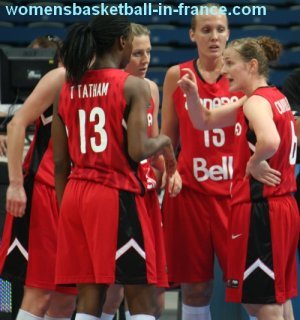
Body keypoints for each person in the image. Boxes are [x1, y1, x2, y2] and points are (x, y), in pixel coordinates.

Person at [52, 15, 176, 320]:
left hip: (75, 196)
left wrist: (65, 208)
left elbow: (58, 161)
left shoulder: (67, 88)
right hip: (115, 194)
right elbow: (137, 150)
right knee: (142, 297)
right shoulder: (133, 86)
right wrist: (165, 143)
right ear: (123, 42)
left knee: (90, 297)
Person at [178, 36, 300, 320]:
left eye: (230, 63)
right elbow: (204, 120)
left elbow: (269, 139)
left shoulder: (255, 103)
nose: (223, 70)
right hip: (281, 206)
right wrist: (193, 96)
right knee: (278, 299)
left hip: (262, 209)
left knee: (262, 303)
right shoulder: (273, 97)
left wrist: (255, 162)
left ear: (252, 65)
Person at [160, 6, 244, 320]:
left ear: (229, 33)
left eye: (220, 29)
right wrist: (170, 171)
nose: (214, 37)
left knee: (249, 285)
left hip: (234, 196)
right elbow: (166, 137)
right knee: (195, 288)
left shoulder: (241, 75)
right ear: (192, 34)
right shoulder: (176, 75)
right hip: (190, 195)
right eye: (206, 30)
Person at [99, 23, 181, 320]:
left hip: (146, 194)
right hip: (117, 192)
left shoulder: (150, 88)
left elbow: (153, 142)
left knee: (154, 293)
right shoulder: (110, 87)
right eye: (137, 53)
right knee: (112, 290)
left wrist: (171, 171)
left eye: (148, 52)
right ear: (121, 51)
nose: (145, 59)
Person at [0, 38, 76, 319]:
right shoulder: (58, 79)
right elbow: (16, 122)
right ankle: (4, 308)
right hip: (37, 196)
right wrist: (16, 184)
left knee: (66, 298)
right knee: (22, 288)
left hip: (72, 199)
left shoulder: (103, 88)